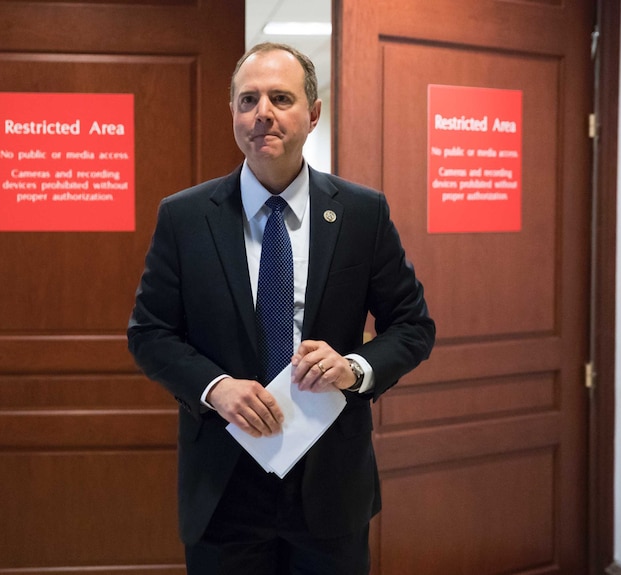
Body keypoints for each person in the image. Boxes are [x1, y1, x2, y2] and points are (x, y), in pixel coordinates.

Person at [128, 42, 435, 575]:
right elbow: (150, 333)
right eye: (248, 100)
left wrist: (354, 368)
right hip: (224, 486)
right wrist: (213, 386)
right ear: (232, 115)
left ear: (313, 114)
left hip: (329, 483)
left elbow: (412, 325)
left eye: (280, 98)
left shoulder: (363, 213)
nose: (262, 113)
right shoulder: (184, 217)